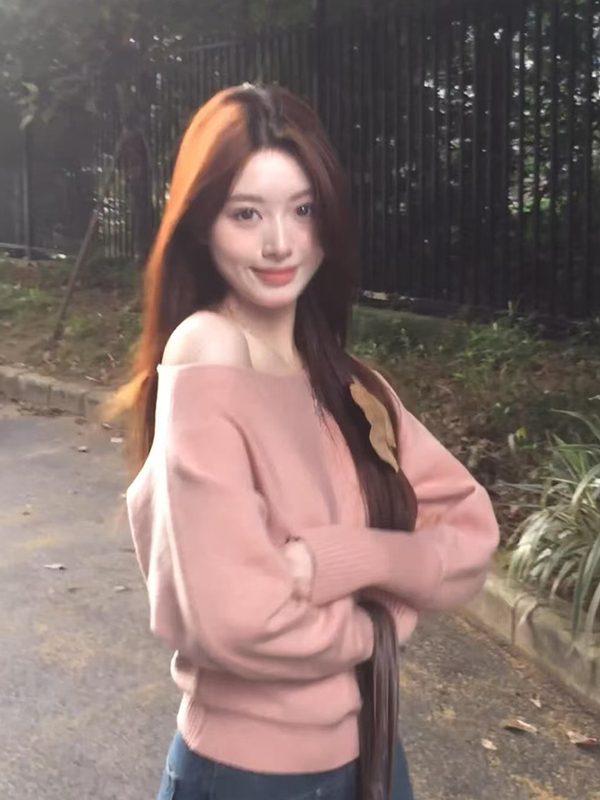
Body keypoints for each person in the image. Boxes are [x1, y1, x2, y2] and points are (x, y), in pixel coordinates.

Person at [107, 83, 499, 800]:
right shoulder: (208, 350)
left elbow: (471, 536)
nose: (280, 243)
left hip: (372, 755)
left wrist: (338, 560)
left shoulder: (349, 384)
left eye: (303, 209)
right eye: (246, 213)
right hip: (247, 776)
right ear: (202, 224)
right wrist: (380, 623)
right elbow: (240, 621)